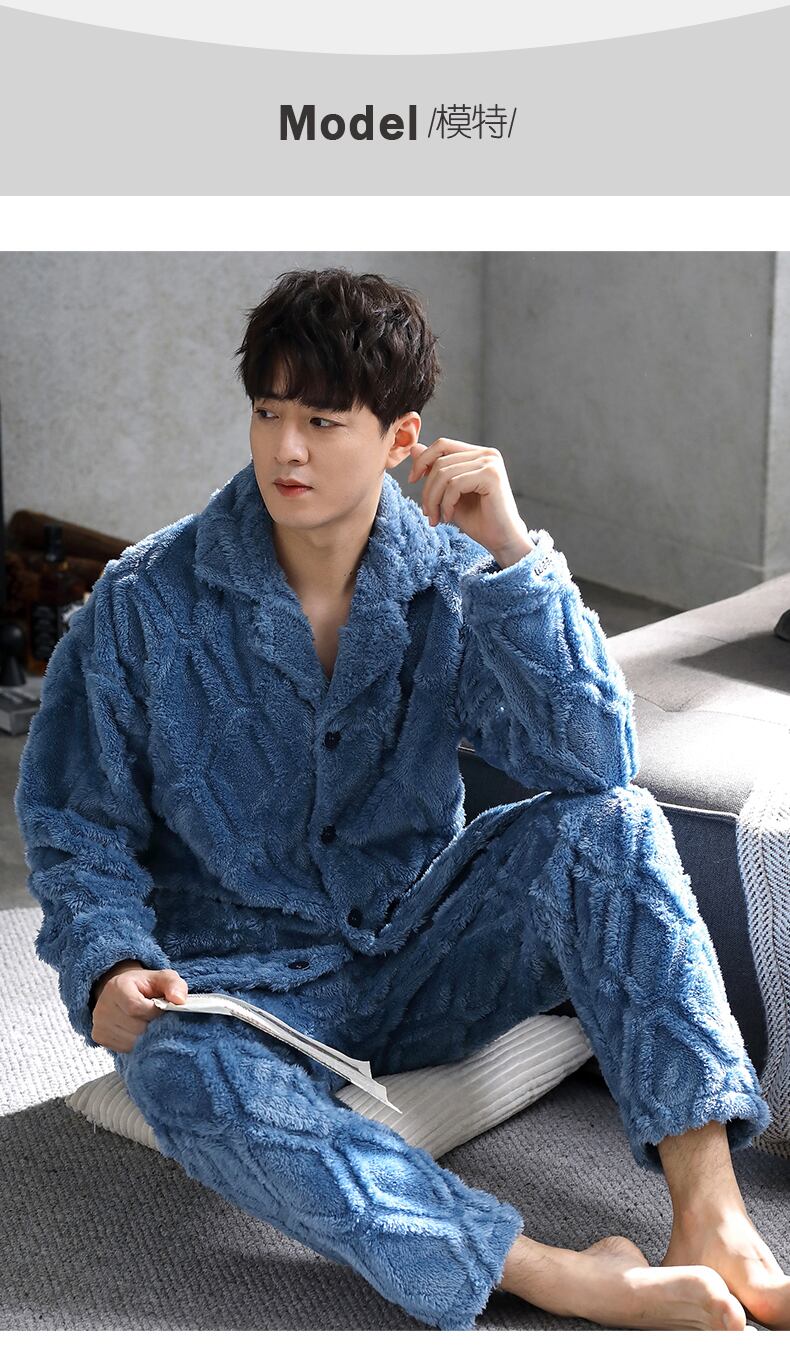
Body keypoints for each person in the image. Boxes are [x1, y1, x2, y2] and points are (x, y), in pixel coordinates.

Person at [15, 266, 790, 1333]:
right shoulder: (145, 601)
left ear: (398, 438)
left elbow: (592, 762)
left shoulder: (453, 572)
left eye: (323, 421)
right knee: (179, 1069)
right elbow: (73, 823)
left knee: (614, 826)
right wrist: (105, 962)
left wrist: (514, 558)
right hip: (243, 990)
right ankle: (542, 1269)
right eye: (268, 413)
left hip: (422, 955)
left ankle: (711, 1214)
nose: (286, 449)